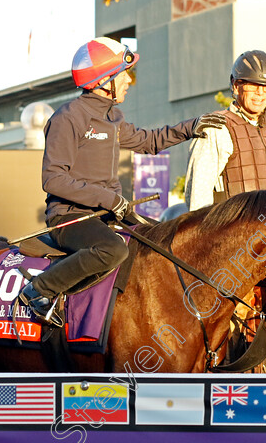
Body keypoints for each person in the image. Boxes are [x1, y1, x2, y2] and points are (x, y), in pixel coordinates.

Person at [18, 37, 226, 324]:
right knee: (112, 249)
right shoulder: (67, 118)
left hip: (108, 214)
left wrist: (191, 127)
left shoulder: (113, 117)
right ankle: (38, 290)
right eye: (124, 74)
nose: (129, 80)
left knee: (167, 242)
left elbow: (149, 141)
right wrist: (109, 199)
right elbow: (53, 179)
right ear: (105, 80)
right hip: (70, 219)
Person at [184, 50, 266, 210]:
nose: (260, 93)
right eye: (254, 85)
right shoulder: (216, 129)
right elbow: (198, 197)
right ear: (236, 86)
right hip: (229, 230)